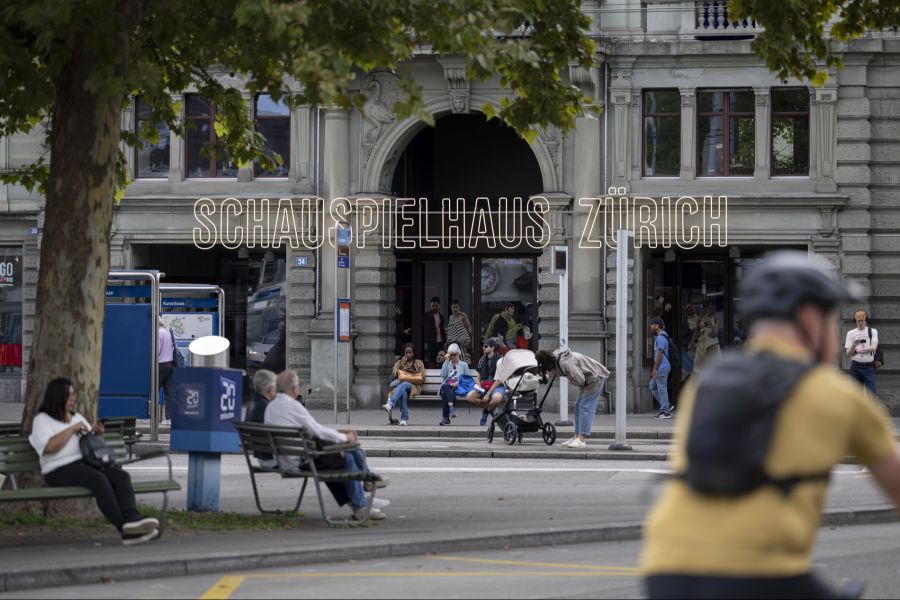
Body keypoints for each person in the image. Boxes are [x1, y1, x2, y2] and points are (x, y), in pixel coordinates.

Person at [641, 251, 900, 599]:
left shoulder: (710, 382)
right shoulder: (833, 393)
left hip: (666, 567)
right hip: (759, 573)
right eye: (830, 319)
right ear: (810, 319)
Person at [28, 378, 161, 545]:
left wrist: (96, 434)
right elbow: (48, 448)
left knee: (121, 476)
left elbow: (88, 442)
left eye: (73, 394)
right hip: (57, 469)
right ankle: (124, 529)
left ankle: (133, 519)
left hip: (86, 464)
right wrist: (71, 429)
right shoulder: (42, 420)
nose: (73, 398)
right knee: (99, 480)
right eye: (68, 395)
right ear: (57, 396)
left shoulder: (76, 417)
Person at [265, 370, 389, 520]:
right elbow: (317, 430)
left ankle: (366, 484)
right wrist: (345, 437)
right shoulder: (292, 406)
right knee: (347, 458)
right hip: (302, 461)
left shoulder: (271, 407)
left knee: (350, 450)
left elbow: (315, 431)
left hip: (287, 459)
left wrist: (341, 438)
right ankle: (361, 502)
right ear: (293, 388)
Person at [535, 347, 609, 449]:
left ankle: (581, 439)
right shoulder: (556, 358)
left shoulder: (565, 363)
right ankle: (577, 436)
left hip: (595, 378)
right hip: (588, 378)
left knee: (585, 407)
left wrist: (569, 378)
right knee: (578, 406)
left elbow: (580, 379)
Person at [383, 343, 425, 426]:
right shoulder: (399, 363)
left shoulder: (418, 363)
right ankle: (403, 419)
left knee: (405, 383)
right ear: (404, 353)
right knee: (403, 393)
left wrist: (411, 375)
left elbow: (422, 377)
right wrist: (401, 365)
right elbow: (393, 378)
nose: (408, 354)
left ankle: (391, 403)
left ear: (413, 353)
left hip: (414, 386)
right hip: (401, 388)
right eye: (406, 353)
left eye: (410, 352)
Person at [245, 369, 277, 467]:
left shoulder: (252, 404)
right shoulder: (269, 408)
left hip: (262, 458)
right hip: (275, 459)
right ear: (270, 389)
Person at [466, 339, 501, 426]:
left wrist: (488, 394)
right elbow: (478, 377)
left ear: (492, 348)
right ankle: (491, 410)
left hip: (496, 386)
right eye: (483, 346)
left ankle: (486, 412)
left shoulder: (500, 360)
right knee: (469, 397)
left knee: (496, 399)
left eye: (486, 346)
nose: (483, 348)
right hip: (484, 385)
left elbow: (499, 380)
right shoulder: (482, 359)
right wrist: (479, 387)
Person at [845, 308, 878, 395]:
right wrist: (853, 345)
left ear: (866, 320)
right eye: (858, 321)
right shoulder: (850, 333)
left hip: (868, 367)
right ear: (855, 320)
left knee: (871, 394)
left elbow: (873, 347)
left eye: (862, 321)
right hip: (855, 367)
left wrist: (861, 351)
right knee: (855, 395)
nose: (860, 323)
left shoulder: (872, 331)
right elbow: (848, 354)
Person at [438, 343, 470, 426]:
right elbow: (443, 375)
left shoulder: (464, 365)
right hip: (447, 387)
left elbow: (467, 379)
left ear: (458, 354)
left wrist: (457, 384)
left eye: (454, 355)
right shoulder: (448, 363)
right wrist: (446, 361)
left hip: (457, 387)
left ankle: (446, 418)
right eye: (451, 355)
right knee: (445, 386)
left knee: (445, 392)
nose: (452, 357)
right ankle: (451, 407)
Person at [648, 317, 674, 419]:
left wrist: (654, 369)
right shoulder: (661, 337)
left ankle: (665, 412)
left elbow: (660, 354)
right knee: (652, 386)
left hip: (661, 367)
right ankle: (666, 405)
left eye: (652, 325)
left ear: (657, 326)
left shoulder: (660, 338)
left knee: (662, 388)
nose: (650, 327)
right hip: (661, 367)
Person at [689, 301, 720, 373]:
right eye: (711, 308)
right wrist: (691, 344)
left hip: (712, 345)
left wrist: (710, 324)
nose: (712, 310)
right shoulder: (700, 318)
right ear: (707, 308)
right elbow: (696, 332)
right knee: (698, 368)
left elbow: (715, 334)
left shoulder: (716, 319)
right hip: (701, 345)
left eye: (713, 309)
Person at [157, 317, 174, 423]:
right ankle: (169, 418)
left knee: (153, 391)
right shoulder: (167, 331)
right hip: (170, 364)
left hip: (160, 365)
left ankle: (151, 416)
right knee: (169, 393)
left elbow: (156, 350)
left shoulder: (158, 333)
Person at [422, 297, 446, 366]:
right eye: (433, 306)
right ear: (430, 305)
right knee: (431, 360)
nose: (434, 307)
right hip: (431, 342)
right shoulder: (426, 315)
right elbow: (422, 327)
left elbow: (441, 328)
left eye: (436, 305)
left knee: (441, 360)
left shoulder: (441, 316)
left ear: (439, 305)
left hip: (440, 342)